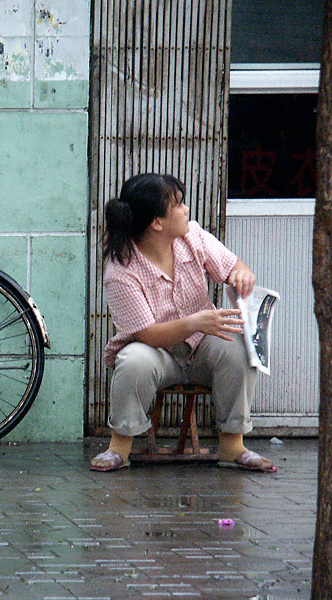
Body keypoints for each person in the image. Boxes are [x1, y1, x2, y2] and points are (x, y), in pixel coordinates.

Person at [91, 173, 276, 473]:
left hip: (202, 346)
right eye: (178, 205)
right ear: (157, 223)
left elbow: (233, 267)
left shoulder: (193, 237)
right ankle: (119, 448)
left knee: (239, 349)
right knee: (133, 360)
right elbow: (147, 334)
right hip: (157, 352)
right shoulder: (120, 269)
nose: (186, 210)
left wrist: (241, 276)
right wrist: (195, 322)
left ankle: (233, 446)